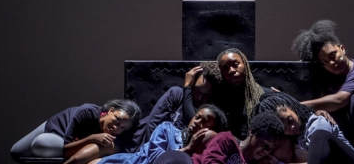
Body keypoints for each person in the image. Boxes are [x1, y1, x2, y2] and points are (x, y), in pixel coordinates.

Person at [65, 62, 223, 164]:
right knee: (82, 159)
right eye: (197, 91)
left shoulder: (206, 113)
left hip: (158, 152)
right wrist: (186, 88)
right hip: (135, 140)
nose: (201, 97)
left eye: (206, 95)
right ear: (193, 83)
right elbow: (153, 123)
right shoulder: (176, 93)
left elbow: (191, 121)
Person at [292, 20, 354, 159]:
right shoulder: (326, 73)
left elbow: (339, 100)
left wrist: (298, 106)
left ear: (342, 48)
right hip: (340, 133)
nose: (331, 63)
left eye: (333, 55)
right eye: (324, 61)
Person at [252, 92, 354, 164]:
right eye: (284, 128)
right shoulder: (294, 137)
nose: (291, 127)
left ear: (293, 108)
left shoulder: (318, 124)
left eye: (290, 120)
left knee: (320, 135)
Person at [10, 99, 142, 162]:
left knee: (41, 145)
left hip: (62, 141)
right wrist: (91, 139)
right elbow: (67, 150)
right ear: (110, 111)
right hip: (56, 127)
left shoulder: (114, 136)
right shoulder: (87, 111)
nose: (116, 128)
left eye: (122, 128)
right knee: (16, 152)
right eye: (117, 121)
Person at [94, 104, 228, 164]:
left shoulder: (205, 153)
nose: (197, 122)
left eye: (205, 122)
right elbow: (155, 157)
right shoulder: (167, 129)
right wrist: (186, 149)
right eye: (197, 117)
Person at [155, 111, 285, 164]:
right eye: (265, 145)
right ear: (253, 133)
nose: (266, 151)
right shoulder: (226, 140)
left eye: (270, 149)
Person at [212, 48, 274, 140]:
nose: (231, 70)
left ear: (245, 64)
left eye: (236, 64)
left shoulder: (265, 95)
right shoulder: (217, 98)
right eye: (225, 67)